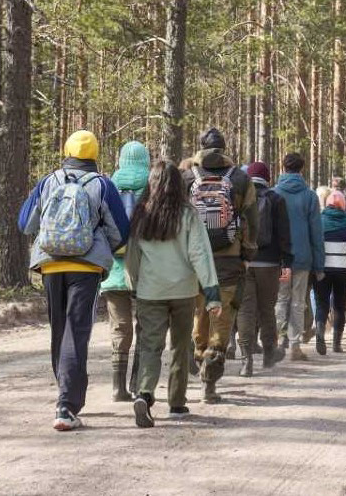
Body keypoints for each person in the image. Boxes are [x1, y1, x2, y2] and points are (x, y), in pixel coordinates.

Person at [18, 130, 129, 431]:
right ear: (95, 154)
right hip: (87, 268)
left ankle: (64, 396)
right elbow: (121, 232)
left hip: (51, 265)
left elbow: (25, 222)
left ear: (66, 150)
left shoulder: (48, 181)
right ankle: (66, 405)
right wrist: (98, 240)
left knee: (59, 330)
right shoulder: (102, 184)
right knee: (76, 330)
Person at [125, 161, 221, 428]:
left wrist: (133, 286)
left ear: (151, 183)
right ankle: (177, 403)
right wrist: (212, 294)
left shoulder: (141, 214)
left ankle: (144, 393)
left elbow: (133, 257)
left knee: (149, 346)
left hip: (149, 291)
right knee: (180, 347)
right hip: (183, 292)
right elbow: (200, 254)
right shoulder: (188, 214)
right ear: (179, 185)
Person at [184, 127, 259, 404]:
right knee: (222, 319)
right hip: (229, 258)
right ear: (225, 149)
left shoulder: (186, 177)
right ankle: (210, 383)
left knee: (198, 315)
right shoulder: (240, 178)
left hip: (194, 260)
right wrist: (248, 253)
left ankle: (198, 354)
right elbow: (252, 219)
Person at [99, 140, 150, 402]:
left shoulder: (107, 185)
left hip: (113, 271)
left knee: (119, 328)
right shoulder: (153, 186)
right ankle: (138, 383)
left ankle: (118, 387)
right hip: (144, 269)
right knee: (145, 326)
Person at [237, 161, 293, 375]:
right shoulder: (276, 199)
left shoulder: (240, 196)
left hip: (245, 262)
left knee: (245, 310)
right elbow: (284, 235)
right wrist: (287, 262)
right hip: (269, 263)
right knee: (267, 309)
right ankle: (269, 353)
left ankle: (246, 359)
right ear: (267, 178)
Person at [275, 152, 325, 360]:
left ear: (283, 167)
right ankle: (295, 345)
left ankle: (278, 340)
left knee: (281, 299)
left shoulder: (274, 193)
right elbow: (316, 232)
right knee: (297, 302)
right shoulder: (310, 196)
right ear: (301, 169)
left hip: (280, 259)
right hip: (303, 258)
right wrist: (319, 265)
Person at [317, 191, 346, 354]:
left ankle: (320, 334)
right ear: (343, 205)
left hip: (323, 268)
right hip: (343, 271)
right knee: (340, 306)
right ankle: (336, 344)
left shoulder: (319, 221)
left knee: (322, 302)